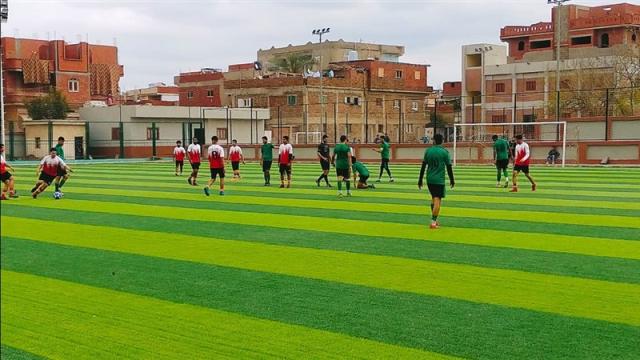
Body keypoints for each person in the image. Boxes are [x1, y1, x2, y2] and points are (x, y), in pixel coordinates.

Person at [418, 134, 455, 230]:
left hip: (429, 179)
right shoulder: (444, 152)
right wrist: (452, 179)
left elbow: (423, 166)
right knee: (438, 199)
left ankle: (435, 220)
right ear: (442, 140)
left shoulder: (428, 151)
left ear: (434, 140)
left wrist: (420, 179)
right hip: (439, 180)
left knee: (433, 198)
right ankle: (433, 222)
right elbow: (449, 167)